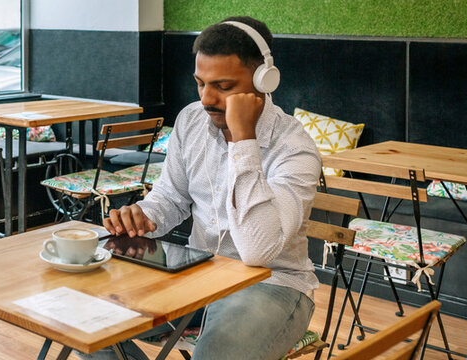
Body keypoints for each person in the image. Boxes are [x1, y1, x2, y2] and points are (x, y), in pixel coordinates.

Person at [83, 16, 322, 360]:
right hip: (198, 272)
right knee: (83, 318)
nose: (207, 98)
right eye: (200, 83)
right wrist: (144, 216)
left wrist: (244, 140)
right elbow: (171, 197)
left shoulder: (294, 148)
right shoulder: (191, 120)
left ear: (264, 82)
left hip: (272, 284)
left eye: (223, 86)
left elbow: (258, 252)